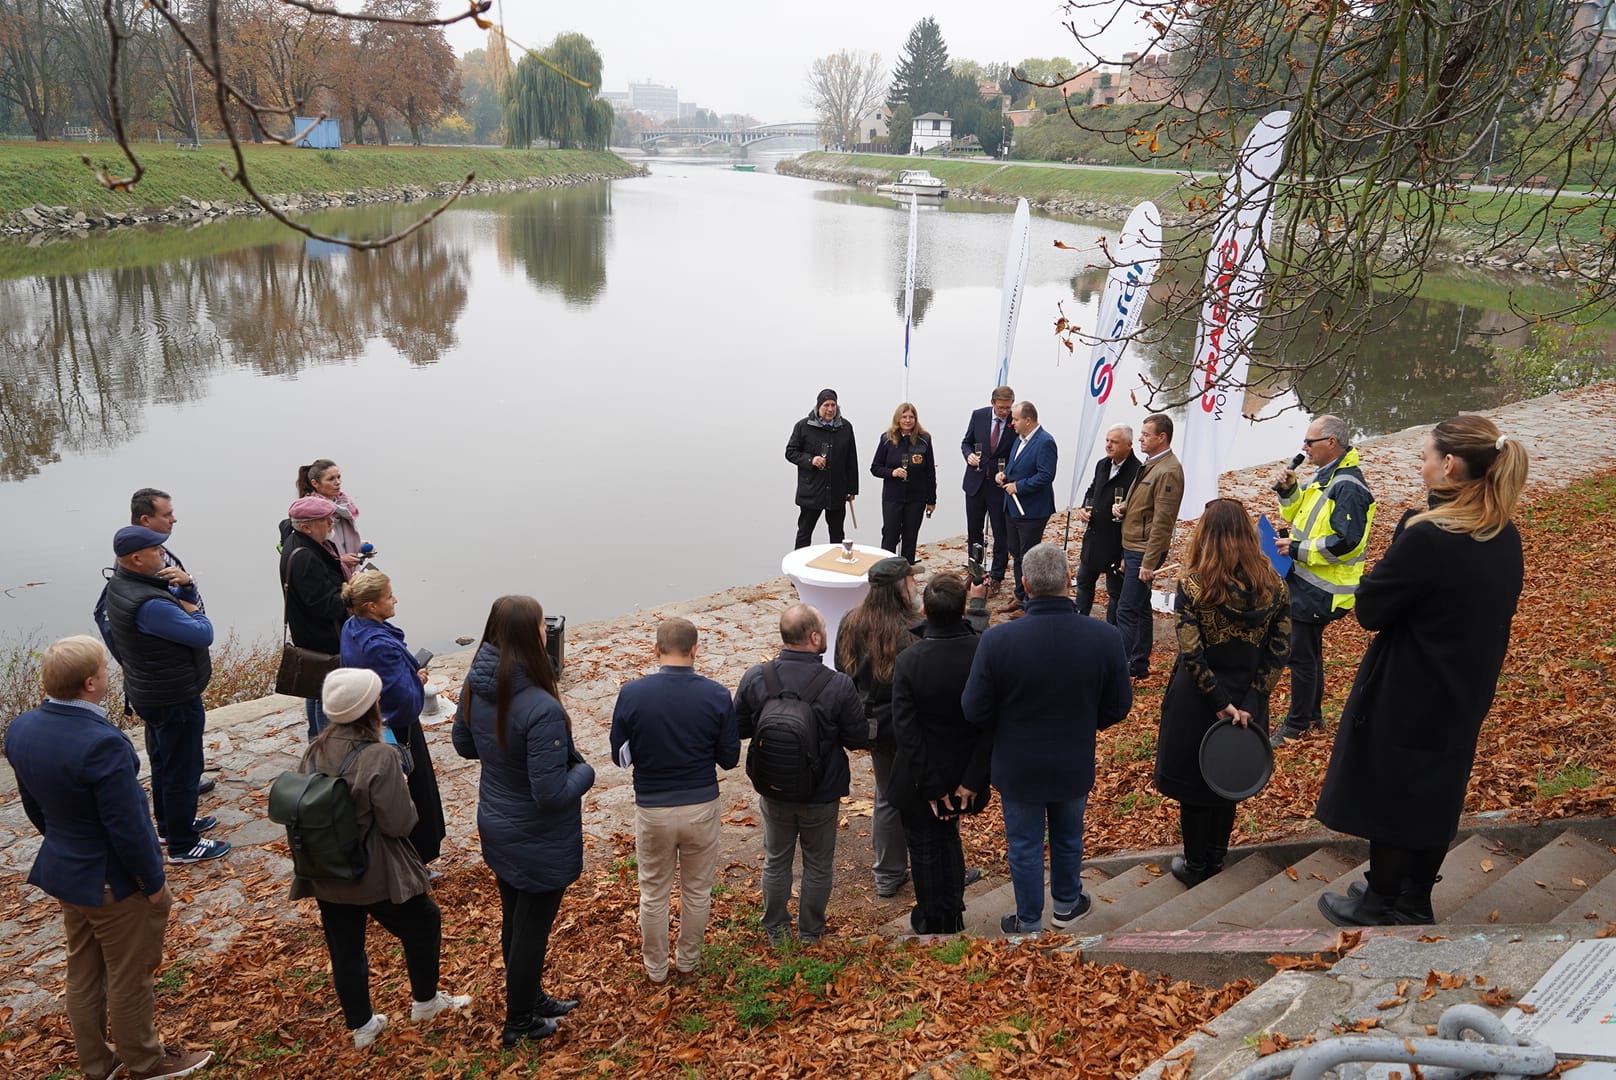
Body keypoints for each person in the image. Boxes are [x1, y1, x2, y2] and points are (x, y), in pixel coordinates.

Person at [1314, 416, 1528, 927]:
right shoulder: (1504, 535)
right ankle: (1413, 898)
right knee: (1436, 784)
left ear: (1449, 465)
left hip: (1409, 684)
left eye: (1427, 454)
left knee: (1395, 786)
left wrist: (1404, 533)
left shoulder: (1429, 536)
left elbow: (1370, 611)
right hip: (1465, 684)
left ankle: (1379, 902)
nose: (1422, 462)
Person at [4, 636, 213, 1080]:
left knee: (84, 971)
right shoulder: (102, 743)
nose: (109, 674)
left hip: (66, 870)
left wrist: (66, 841)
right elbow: (129, 826)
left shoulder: (21, 729)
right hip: (113, 882)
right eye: (104, 668)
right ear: (91, 683)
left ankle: (98, 1065)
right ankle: (145, 1060)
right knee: (129, 973)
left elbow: (34, 804)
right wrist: (153, 883)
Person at [292, 669, 469, 1050]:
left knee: (345, 946)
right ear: (368, 709)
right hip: (372, 868)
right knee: (424, 922)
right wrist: (402, 791)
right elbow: (399, 823)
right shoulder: (380, 755)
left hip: (325, 866)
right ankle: (425, 1002)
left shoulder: (315, 748)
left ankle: (362, 1027)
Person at [962, 543, 1132, 934]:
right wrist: (1087, 722)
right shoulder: (1104, 637)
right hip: (1073, 755)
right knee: (1068, 836)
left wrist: (1005, 726)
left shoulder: (998, 641)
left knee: (1024, 844)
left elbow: (974, 709)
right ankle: (1067, 904)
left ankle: (1027, 919)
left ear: (1024, 584)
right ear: (1069, 581)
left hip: (1017, 762)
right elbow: (1119, 705)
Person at [453, 596, 593, 1048]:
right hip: (536, 834)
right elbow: (550, 794)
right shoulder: (540, 707)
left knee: (516, 918)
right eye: (540, 625)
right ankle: (520, 1023)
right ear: (531, 635)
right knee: (532, 928)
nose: (544, 630)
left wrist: (503, 759)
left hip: (497, 820)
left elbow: (463, 744)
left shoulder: (475, 685)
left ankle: (531, 998)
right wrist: (585, 771)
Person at [1153, 499, 1291, 887]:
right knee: (1227, 776)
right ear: (1249, 535)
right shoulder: (1274, 586)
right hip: (1248, 696)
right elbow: (1280, 650)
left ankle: (1197, 865)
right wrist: (1249, 703)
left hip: (1199, 702)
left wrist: (1219, 703)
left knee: (1197, 784)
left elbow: (1191, 651)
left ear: (1205, 535)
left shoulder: (1194, 585)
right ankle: (1216, 857)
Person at [608, 618, 740, 984]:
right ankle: (687, 962)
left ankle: (655, 969)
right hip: (700, 804)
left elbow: (619, 757)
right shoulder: (716, 694)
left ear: (656, 651)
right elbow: (729, 759)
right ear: (695, 650)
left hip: (653, 807)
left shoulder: (632, 694)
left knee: (653, 891)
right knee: (697, 890)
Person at [734, 603, 868, 946]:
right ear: (813, 637)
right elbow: (856, 738)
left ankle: (776, 929)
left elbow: (742, 728)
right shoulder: (838, 685)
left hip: (774, 786)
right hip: (821, 792)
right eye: (823, 629)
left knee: (776, 859)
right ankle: (810, 932)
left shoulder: (756, 677)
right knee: (818, 863)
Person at [102, 526, 228, 866]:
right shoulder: (150, 604)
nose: (163, 555)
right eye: (157, 550)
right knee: (182, 769)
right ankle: (183, 845)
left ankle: (171, 826)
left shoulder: (121, 584)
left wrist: (185, 585)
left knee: (163, 763)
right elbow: (203, 633)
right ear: (136, 558)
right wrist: (190, 602)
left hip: (149, 689)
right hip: (172, 695)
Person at [94, 488, 216, 796]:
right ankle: (182, 838)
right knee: (176, 764)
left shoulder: (128, 570)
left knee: (165, 755)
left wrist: (186, 590)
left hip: (151, 682)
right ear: (146, 520)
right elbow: (198, 630)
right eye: (167, 514)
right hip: (168, 687)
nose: (174, 519)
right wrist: (193, 609)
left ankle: (173, 817)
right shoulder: (143, 574)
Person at [889, 575, 994, 934]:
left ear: (925, 611)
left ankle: (934, 918)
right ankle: (952, 912)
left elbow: (907, 730)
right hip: (965, 770)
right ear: (964, 608)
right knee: (949, 837)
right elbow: (991, 724)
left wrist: (932, 786)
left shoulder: (910, 660)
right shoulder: (982, 651)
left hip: (923, 776)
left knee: (923, 845)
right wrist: (971, 780)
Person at [1269, 414, 1377, 747]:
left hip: (1323, 589)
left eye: (1310, 442)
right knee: (1308, 652)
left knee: (1300, 654)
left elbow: (1346, 543)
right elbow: (1297, 514)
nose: (1304, 448)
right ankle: (1312, 717)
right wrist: (1288, 492)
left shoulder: (1348, 486)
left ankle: (1297, 724)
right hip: (1306, 580)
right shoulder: (1326, 477)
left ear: (1331, 443)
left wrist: (1297, 549)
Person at [340, 571, 447, 866]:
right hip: (397, 731)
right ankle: (415, 861)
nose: (395, 599)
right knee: (412, 796)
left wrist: (409, 676)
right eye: (388, 596)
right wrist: (416, 682)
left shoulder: (352, 627)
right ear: (372, 606)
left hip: (368, 723)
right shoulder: (378, 645)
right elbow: (402, 701)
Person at [834, 557, 918, 898]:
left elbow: (842, 670)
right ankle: (931, 861)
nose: (916, 587)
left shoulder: (849, 621)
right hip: (907, 725)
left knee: (886, 796)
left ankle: (887, 873)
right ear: (900, 588)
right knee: (920, 792)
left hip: (871, 726)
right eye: (912, 581)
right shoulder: (912, 628)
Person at [1116, 413, 1186, 679]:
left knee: (1127, 609)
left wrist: (1148, 562)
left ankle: (1118, 672)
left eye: (1146, 434)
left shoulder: (1169, 470)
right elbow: (1142, 501)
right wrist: (1124, 507)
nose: (1140, 438)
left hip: (1144, 550)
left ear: (1162, 437)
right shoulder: (1151, 463)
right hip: (1132, 545)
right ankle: (1139, 664)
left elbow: (1162, 521)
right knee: (1142, 605)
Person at [279, 495, 347, 739]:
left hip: (308, 636)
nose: (331, 523)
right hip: (322, 638)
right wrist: (352, 592)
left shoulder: (296, 541)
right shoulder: (305, 557)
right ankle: (327, 749)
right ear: (306, 526)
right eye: (325, 520)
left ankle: (317, 743)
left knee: (315, 690)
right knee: (326, 698)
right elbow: (325, 605)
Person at [1073, 425, 1142, 623]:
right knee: (1084, 583)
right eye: (1107, 440)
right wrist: (1085, 508)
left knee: (1115, 594)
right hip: (1093, 540)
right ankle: (1079, 623)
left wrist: (1125, 554)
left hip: (1116, 542)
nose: (1108, 445)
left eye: (1114, 442)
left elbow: (1137, 513)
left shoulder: (1137, 472)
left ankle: (1111, 631)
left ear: (1129, 445)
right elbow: (1092, 490)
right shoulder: (1102, 464)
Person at [995, 401, 1058, 613]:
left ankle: (1031, 604)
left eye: (1015, 419)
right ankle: (1020, 595)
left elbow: (1046, 475)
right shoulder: (1019, 439)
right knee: (1016, 552)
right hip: (1012, 508)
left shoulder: (1045, 441)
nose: (1011, 423)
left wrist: (1018, 487)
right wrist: (1004, 475)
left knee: (1029, 556)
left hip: (1032, 510)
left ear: (1028, 420)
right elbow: (1016, 467)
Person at [785, 389, 859, 549]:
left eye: (833, 405)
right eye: (826, 405)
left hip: (837, 490)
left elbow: (851, 460)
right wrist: (811, 460)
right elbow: (790, 453)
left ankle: (838, 568)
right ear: (819, 406)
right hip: (811, 490)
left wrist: (852, 489)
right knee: (805, 532)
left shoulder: (845, 427)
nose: (830, 409)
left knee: (838, 534)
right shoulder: (803, 426)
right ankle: (799, 567)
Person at [960, 386, 1016, 594]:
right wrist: (968, 455)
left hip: (999, 486)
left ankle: (997, 576)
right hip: (975, 482)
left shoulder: (1014, 421)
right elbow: (966, 442)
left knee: (1000, 533)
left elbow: (1017, 452)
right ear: (993, 403)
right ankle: (975, 572)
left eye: (1008, 408)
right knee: (974, 530)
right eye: (1001, 408)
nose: (1004, 412)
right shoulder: (979, 415)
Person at [871, 403, 937, 564]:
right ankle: (886, 575)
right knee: (890, 535)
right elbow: (875, 468)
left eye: (911, 417)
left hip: (916, 498)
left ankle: (906, 575)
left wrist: (931, 500)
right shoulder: (887, 439)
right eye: (904, 417)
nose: (908, 420)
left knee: (910, 536)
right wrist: (892, 472)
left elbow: (930, 471)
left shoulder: (924, 439)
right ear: (898, 419)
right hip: (893, 497)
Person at [297, 459, 363, 577]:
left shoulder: (344, 506)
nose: (337, 482)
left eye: (338, 477)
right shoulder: (310, 512)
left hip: (352, 573)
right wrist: (340, 560)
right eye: (331, 479)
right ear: (315, 483)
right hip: (330, 575)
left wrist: (361, 546)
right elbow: (311, 551)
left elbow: (342, 541)